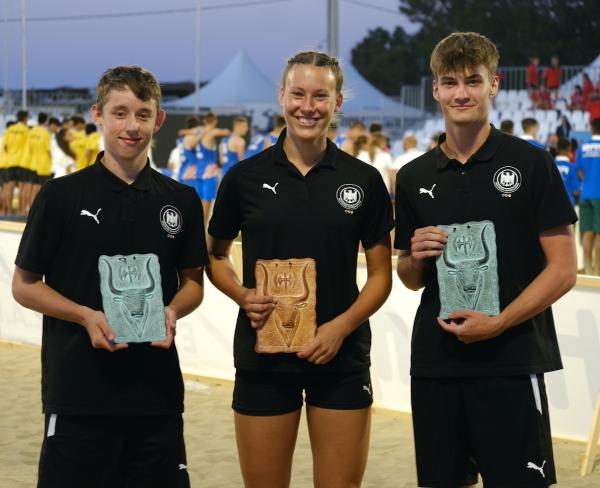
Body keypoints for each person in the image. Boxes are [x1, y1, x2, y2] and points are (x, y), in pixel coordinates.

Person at [394, 32, 577, 487]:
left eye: (472, 81)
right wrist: (414, 257)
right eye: (450, 82)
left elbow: (563, 269)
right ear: (435, 89)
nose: (461, 93)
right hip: (437, 362)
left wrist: (500, 322)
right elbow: (409, 278)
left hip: (511, 360)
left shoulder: (532, 163)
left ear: (493, 85)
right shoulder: (414, 175)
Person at [12, 65, 208, 488]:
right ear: (98, 115)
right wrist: (84, 315)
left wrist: (172, 311)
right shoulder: (61, 196)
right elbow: (24, 285)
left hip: (156, 397)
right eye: (120, 113)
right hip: (79, 394)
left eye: (142, 114)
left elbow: (194, 283)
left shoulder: (182, 200)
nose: (131, 126)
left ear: (158, 120)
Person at [207, 50, 393, 488]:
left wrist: (340, 327)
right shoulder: (243, 178)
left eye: (320, 96)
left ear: (338, 102)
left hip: (340, 355)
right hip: (263, 357)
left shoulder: (364, 180)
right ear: (282, 96)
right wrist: (242, 295)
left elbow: (382, 276)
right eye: (298, 94)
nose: (307, 106)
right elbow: (214, 257)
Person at [575, 117, 600, 275]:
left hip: (586, 194)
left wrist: (588, 181)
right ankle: (598, 269)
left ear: (591, 128)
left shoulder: (582, 148)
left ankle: (588, 269)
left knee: (587, 231)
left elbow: (579, 171)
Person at [554, 138, 580, 207]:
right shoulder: (572, 168)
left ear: (557, 148)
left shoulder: (549, 165)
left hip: (552, 205)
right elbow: (576, 192)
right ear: (569, 149)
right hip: (568, 207)